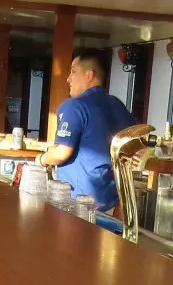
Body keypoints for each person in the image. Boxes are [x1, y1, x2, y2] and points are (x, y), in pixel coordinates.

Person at [37, 52, 135, 211]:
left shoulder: (74, 106)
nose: (68, 79)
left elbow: (62, 153)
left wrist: (41, 159)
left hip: (78, 202)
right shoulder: (117, 105)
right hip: (111, 201)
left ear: (89, 75)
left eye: (73, 72)